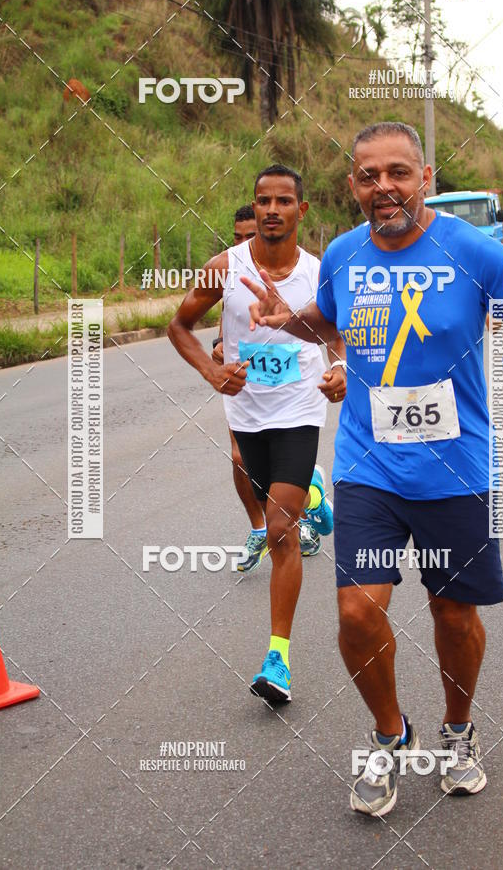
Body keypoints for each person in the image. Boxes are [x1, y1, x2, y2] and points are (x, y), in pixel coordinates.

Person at [242, 122, 503, 815]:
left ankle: (459, 730)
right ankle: (390, 735)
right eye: (369, 176)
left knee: (453, 614)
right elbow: (325, 318)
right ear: (353, 185)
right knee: (356, 612)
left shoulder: (476, 253)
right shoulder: (342, 254)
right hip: (368, 466)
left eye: (397, 172)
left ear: (424, 177)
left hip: (457, 469)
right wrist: (286, 321)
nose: (383, 187)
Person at [168, 164, 346, 704]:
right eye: (263, 201)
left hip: (298, 410)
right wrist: (212, 370)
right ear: (254, 207)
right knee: (271, 506)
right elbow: (179, 326)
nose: (272, 210)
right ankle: (312, 494)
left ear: (301, 210)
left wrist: (338, 367)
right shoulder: (225, 268)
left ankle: (277, 659)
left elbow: (337, 335)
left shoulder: (319, 272)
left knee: (279, 531)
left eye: (284, 201)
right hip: (246, 414)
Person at [212, 207, 323, 566]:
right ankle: (260, 527)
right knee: (239, 457)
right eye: (237, 237)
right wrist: (217, 347)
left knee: (284, 467)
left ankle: (307, 505)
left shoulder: (307, 269)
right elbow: (229, 314)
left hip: (294, 387)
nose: (244, 244)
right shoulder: (228, 268)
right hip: (246, 382)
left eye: (250, 236)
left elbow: (329, 326)